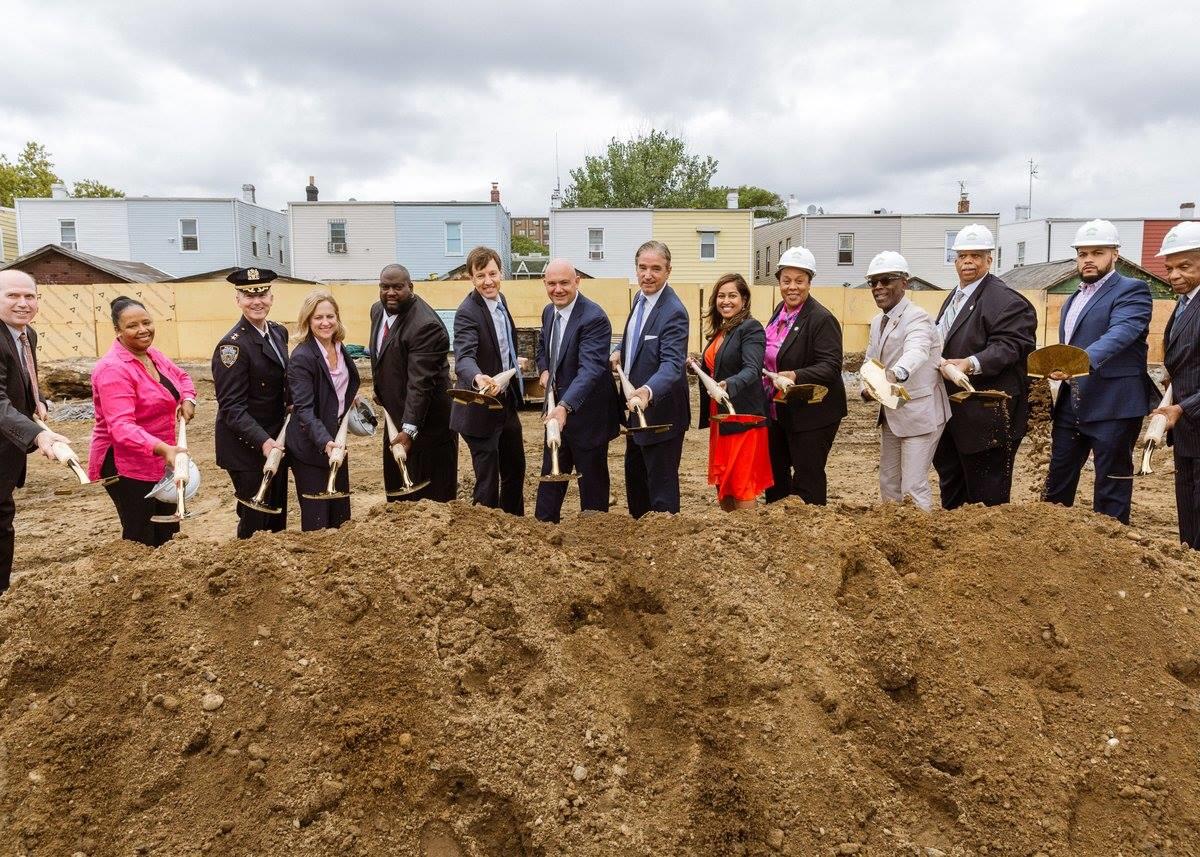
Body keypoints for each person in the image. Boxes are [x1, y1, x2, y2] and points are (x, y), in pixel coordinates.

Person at [1043, 219, 1159, 523]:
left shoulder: (1132, 290)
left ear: (1115, 254)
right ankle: (1050, 538)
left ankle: (1112, 543)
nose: (1088, 259)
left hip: (1114, 404)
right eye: (1083, 254)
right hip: (1072, 402)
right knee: (1057, 482)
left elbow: (1121, 333)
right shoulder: (1074, 298)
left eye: (1097, 252)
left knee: (1111, 486)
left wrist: (1076, 362)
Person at [933, 224, 1038, 508]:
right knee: (953, 488)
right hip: (953, 415)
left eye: (976, 256)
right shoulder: (957, 296)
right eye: (962, 256)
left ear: (989, 260)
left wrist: (970, 363)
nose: (968, 262)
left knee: (986, 498)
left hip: (987, 417)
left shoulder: (1006, 301)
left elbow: (1012, 345)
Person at [89, 295, 197, 546]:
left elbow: (182, 377)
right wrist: (163, 449)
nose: (142, 330)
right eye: (132, 326)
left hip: (160, 456)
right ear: (117, 331)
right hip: (125, 463)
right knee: (141, 534)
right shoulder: (112, 369)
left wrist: (188, 399)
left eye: (146, 322)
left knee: (168, 527)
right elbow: (121, 427)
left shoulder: (152, 355)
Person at [0, 271, 71, 595]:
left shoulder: (27, 334)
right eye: (12, 296)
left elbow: (21, 376)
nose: (23, 303)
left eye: (29, 296)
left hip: (7, 448)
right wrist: (38, 436)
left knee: (3, 519)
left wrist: (37, 398)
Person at [533, 259, 619, 522]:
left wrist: (565, 406)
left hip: (588, 417)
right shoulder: (549, 312)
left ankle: (594, 536)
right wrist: (544, 370)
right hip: (557, 415)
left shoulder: (594, 318)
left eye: (564, 283)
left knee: (592, 486)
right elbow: (542, 346)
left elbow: (591, 370)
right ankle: (543, 533)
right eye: (552, 283)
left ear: (577, 282)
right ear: (544, 284)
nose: (558, 289)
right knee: (550, 479)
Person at [862, 252, 949, 511]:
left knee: (913, 485)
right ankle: (892, 530)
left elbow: (917, 351)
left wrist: (895, 374)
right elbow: (870, 361)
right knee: (889, 482)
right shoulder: (877, 321)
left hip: (920, 414)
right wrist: (867, 387)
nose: (878, 287)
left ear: (904, 282)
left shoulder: (917, 317)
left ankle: (921, 534)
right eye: (873, 282)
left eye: (886, 280)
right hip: (892, 411)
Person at [610, 241, 690, 518]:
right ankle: (640, 537)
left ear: (668, 271)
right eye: (642, 268)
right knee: (637, 484)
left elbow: (672, 365)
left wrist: (647, 391)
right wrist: (620, 350)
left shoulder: (674, 311)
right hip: (636, 413)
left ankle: (666, 540)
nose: (647, 275)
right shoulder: (640, 299)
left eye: (656, 268)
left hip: (661, 415)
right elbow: (637, 339)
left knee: (661, 491)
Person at [762, 247, 846, 505]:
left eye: (799, 281)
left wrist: (795, 374)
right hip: (779, 409)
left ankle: (812, 524)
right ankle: (776, 521)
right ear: (779, 282)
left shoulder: (821, 319)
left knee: (807, 478)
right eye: (786, 280)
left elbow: (831, 366)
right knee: (775, 474)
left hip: (813, 413)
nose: (792, 287)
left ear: (810, 282)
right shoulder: (781, 311)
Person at [212, 267, 291, 537]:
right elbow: (231, 407)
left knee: (277, 515)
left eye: (262, 294)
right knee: (256, 520)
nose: (257, 301)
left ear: (271, 297)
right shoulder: (232, 347)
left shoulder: (278, 332)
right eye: (248, 296)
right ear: (238, 300)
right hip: (246, 446)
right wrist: (263, 441)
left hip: (275, 439)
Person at [369, 263, 457, 502]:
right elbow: (381, 355)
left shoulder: (426, 326)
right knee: (397, 496)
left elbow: (421, 384)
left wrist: (409, 430)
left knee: (431, 501)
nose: (391, 293)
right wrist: (380, 388)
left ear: (411, 287)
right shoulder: (377, 310)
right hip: (397, 417)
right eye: (385, 287)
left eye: (398, 287)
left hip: (429, 427)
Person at [449, 246, 526, 515]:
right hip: (478, 407)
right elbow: (464, 357)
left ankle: (516, 526)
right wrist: (477, 377)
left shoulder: (500, 301)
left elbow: (500, 345)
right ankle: (483, 532)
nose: (488, 281)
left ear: (501, 272)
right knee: (488, 480)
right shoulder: (467, 312)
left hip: (505, 402)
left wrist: (513, 363)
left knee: (515, 469)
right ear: (471, 278)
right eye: (480, 276)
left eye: (492, 274)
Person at [694, 273, 772, 511]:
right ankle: (730, 531)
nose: (726, 301)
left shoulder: (750, 328)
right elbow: (718, 365)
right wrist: (698, 365)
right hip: (721, 418)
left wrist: (729, 384)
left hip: (742, 419)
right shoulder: (723, 331)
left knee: (742, 484)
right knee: (726, 485)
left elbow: (752, 369)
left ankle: (747, 531)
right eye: (721, 296)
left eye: (732, 296)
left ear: (744, 300)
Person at [286, 290, 360, 531]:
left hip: (337, 441)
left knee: (341, 514)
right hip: (311, 445)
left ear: (337, 317)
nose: (325, 323)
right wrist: (324, 441)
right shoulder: (302, 357)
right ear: (308, 321)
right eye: (318, 317)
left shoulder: (339, 347)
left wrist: (348, 396)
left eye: (330, 316)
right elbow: (304, 409)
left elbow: (336, 384)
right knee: (317, 520)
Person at [1149, 222, 1200, 547]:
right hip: (1187, 432)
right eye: (1169, 268)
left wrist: (1183, 407)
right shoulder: (1184, 303)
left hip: (1191, 415)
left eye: (1185, 266)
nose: (1174, 275)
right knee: (1189, 509)